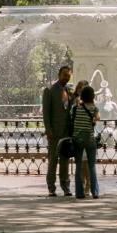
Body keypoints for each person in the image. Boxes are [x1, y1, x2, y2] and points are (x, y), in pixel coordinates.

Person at [42, 65, 74, 196]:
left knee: (65, 161)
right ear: (59, 75)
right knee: (53, 161)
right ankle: (51, 187)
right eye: (65, 75)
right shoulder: (49, 90)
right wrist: (48, 130)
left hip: (66, 132)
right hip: (54, 133)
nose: (67, 77)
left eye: (68, 75)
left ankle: (66, 187)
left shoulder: (69, 91)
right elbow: (46, 113)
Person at [71, 84, 101, 199]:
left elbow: (71, 117)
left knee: (78, 165)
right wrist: (93, 118)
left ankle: (79, 192)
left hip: (77, 138)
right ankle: (95, 192)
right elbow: (98, 117)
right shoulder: (94, 108)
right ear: (93, 96)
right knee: (92, 166)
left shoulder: (76, 107)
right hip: (89, 138)